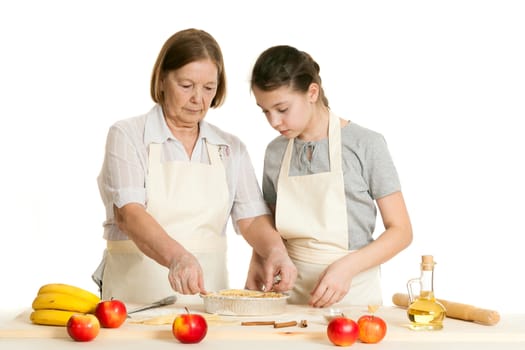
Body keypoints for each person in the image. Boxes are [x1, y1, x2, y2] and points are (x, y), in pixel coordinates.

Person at [92, 29, 297, 304]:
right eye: (186, 85)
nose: (198, 99)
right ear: (162, 79)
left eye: (208, 88)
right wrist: (178, 257)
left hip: (208, 301)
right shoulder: (128, 135)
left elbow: (252, 218)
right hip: (133, 300)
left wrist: (275, 251)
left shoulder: (230, 148)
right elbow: (129, 214)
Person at [246, 45, 413, 308]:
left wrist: (346, 268)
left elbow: (401, 231)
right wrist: (257, 263)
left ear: (312, 92)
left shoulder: (365, 144)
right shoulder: (276, 152)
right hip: (288, 295)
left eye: (282, 108)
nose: (274, 122)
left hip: (353, 295)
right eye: (265, 111)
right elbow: (268, 224)